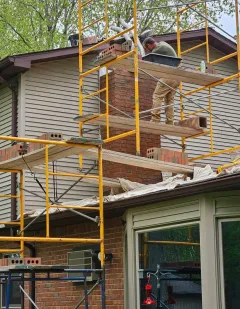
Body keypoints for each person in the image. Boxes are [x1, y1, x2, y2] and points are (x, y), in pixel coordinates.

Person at [143, 37, 180, 125]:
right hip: (177, 77)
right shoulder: (163, 44)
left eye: (147, 49)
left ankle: (155, 119)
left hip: (169, 76)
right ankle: (170, 121)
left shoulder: (158, 48)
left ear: (149, 45)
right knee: (169, 100)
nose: (148, 51)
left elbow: (148, 58)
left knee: (157, 96)